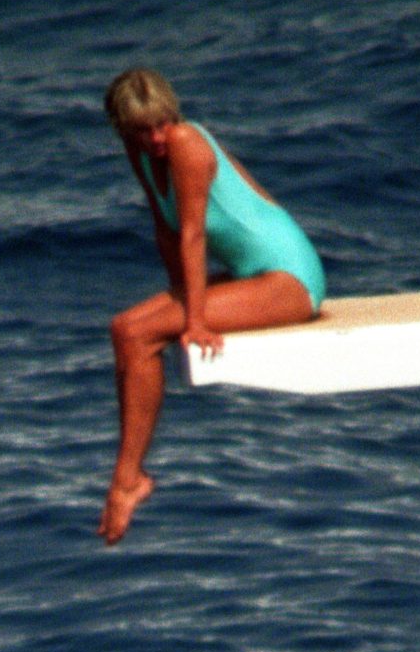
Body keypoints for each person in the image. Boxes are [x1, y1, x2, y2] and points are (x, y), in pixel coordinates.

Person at [97, 68, 326, 544]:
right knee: (125, 328)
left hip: (290, 278)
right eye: (144, 129)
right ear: (124, 129)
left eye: (162, 123)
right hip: (252, 275)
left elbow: (193, 234)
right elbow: (165, 229)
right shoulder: (140, 153)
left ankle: (127, 481)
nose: (157, 137)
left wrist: (194, 320)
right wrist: (177, 297)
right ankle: (127, 476)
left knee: (140, 334)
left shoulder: (184, 142)